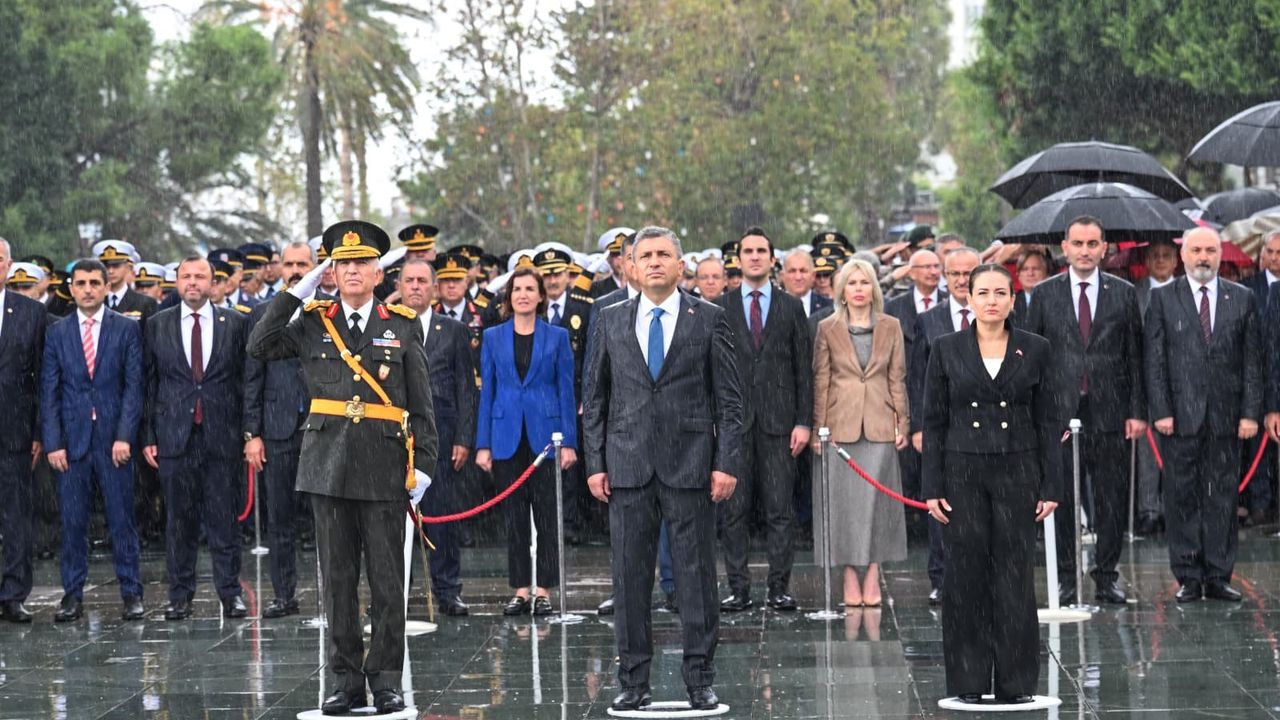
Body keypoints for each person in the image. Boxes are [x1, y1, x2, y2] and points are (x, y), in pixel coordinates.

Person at [248, 220, 437, 715]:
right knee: (337, 583)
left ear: (379, 272)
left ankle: (387, 681)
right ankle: (345, 683)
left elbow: (421, 406)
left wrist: (427, 469)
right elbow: (260, 345)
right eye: (342, 263)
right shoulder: (312, 320)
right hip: (327, 467)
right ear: (333, 270)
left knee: (387, 583)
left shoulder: (401, 324)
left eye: (361, 264)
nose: (352, 271)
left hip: (384, 467)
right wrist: (298, 289)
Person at [584, 225, 742, 713]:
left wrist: (726, 463)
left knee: (695, 578)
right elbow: (594, 400)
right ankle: (633, 681)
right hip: (627, 467)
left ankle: (699, 678)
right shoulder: (607, 319)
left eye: (663, 254)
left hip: (691, 466)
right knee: (629, 580)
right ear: (630, 266)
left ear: (681, 265)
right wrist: (595, 463)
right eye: (645, 255)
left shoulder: (709, 318)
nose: (654, 262)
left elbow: (730, 402)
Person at [922, 263, 1061, 704]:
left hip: (1018, 471)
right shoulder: (946, 349)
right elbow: (934, 421)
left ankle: (1016, 684)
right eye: (982, 292)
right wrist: (932, 486)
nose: (991, 300)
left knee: (1014, 575)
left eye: (1001, 292)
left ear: (1013, 300)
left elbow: (1048, 420)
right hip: (963, 472)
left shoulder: (1035, 349)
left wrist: (1051, 485)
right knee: (965, 577)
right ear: (969, 298)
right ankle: (968, 680)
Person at [1025, 216, 1146, 606]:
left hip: (1110, 411)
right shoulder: (1043, 295)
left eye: (1093, 243)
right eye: (1078, 243)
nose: (1085, 251)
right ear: (1065, 247)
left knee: (1111, 497)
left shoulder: (1123, 293)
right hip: (1058, 413)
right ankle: (1066, 577)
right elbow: (1033, 357)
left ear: (1104, 248)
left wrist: (1137, 411)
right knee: (1058, 498)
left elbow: (1135, 356)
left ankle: (1107, 576)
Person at [1145, 226, 1261, 603]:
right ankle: (1188, 576)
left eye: (1210, 250)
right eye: (1196, 250)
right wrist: (1160, 409)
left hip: (1228, 418)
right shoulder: (1163, 299)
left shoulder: (1241, 298)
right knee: (1181, 496)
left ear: (1220, 254)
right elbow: (1155, 361)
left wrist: (1250, 414)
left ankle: (1218, 574)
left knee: (1223, 497)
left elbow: (1252, 362)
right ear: (1184, 255)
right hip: (1179, 417)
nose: (1203, 257)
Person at [141, 256, 252, 621]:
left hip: (222, 436)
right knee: (179, 522)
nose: (192, 282)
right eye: (186, 276)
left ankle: (230, 593)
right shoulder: (157, 325)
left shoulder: (235, 323)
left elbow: (245, 382)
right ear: (176, 281)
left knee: (224, 521)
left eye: (199, 276)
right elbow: (150, 383)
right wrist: (148, 435)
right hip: (174, 438)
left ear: (212, 281)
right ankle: (179, 595)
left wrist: (250, 432)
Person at [41, 259, 145, 623]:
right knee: (72, 522)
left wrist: (124, 436)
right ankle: (72, 594)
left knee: (122, 521)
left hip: (113, 442)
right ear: (71, 288)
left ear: (105, 287)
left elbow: (134, 388)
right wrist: (53, 442)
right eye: (80, 283)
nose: (87, 289)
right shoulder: (56, 333)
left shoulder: (126, 329)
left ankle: (131, 593)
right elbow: (49, 391)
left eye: (94, 283)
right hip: (71, 443)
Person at [716, 227, 812, 613]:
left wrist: (804, 421)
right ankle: (738, 589)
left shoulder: (791, 308)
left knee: (779, 511)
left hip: (779, 426)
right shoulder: (720, 307)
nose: (754, 256)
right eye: (748, 251)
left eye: (761, 251)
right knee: (734, 511)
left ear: (773, 260)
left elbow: (803, 370)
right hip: (735, 427)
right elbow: (715, 370)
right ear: (738, 259)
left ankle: (778, 588)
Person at [474, 266, 578, 616]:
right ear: (508, 297)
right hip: (505, 437)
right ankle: (520, 589)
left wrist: (570, 443)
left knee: (547, 516)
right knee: (515, 517)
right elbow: (487, 391)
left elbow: (566, 390)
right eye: (517, 289)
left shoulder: (557, 337)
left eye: (529, 289)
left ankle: (544, 589)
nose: (523, 294)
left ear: (540, 296)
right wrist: (483, 443)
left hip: (546, 438)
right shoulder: (492, 338)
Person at [811, 259, 909, 607]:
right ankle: (849, 573)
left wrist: (903, 422)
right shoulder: (827, 327)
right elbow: (822, 380)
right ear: (842, 291)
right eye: (851, 283)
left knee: (877, 505)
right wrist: (818, 430)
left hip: (881, 423)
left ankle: (872, 572)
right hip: (839, 426)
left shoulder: (891, 326)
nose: (858, 289)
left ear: (873, 288)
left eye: (864, 283)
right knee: (843, 507)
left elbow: (897, 377)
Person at [242, 240, 319, 619]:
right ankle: (283, 594)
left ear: (315, 267)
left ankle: (333, 595)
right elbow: (252, 379)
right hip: (277, 430)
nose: (294, 270)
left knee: (328, 521)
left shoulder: (329, 311)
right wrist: (251, 433)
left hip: (324, 428)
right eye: (288, 263)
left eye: (302, 263)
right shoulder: (262, 313)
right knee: (280, 520)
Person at [400, 256, 476, 616]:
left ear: (434, 288)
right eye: (409, 281)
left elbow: (465, 388)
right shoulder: (385, 327)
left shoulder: (454, 330)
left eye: (421, 281)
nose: (415, 287)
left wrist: (464, 437)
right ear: (398, 287)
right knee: (392, 521)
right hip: (394, 438)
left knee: (444, 515)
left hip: (443, 437)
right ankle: (394, 592)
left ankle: (448, 589)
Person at [916, 246, 981, 605]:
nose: (960, 280)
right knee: (939, 503)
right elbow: (917, 378)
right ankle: (941, 578)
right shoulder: (930, 319)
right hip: (942, 428)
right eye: (953, 274)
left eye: (967, 273)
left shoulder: (997, 315)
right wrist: (917, 427)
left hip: (988, 428)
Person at [883, 249, 947, 540]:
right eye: (926, 267)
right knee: (905, 468)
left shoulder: (950, 303)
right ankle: (911, 529)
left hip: (940, 395)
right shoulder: (894, 308)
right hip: (904, 391)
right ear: (911, 272)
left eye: (937, 266)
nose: (933, 272)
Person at [0, 237, 47, 623]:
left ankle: (13, 594)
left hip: (14, 431)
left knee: (15, 515)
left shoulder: (30, 312)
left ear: (10, 265)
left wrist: (38, 430)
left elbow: (42, 378)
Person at [1135, 239, 1179, 534]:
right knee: (1147, 452)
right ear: (1147, 261)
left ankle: (1177, 507)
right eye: (1155, 256)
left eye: (1166, 256)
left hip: (1182, 382)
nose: (1161, 261)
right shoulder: (1134, 291)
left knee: (1180, 449)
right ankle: (1150, 509)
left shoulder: (1187, 290)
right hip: (1145, 379)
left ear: (1177, 260)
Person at [93, 240, 158, 322]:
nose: (110, 271)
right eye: (106, 266)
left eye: (116, 265)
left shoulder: (146, 303)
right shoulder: (95, 300)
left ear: (127, 267)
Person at [780, 251, 832, 318]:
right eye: (792, 271)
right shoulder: (770, 307)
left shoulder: (829, 306)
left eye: (803, 271)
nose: (798, 277)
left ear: (813, 276)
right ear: (782, 276)